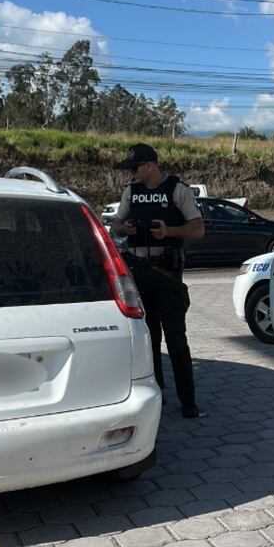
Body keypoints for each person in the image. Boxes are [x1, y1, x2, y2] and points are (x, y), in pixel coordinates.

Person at [113, 143, 206, 418]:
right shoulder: (131, 191)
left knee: (176, 341)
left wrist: (170, 231)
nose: (131, 173)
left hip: (168, 278)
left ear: (150, 166)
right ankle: (158, 395)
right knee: (148, 340)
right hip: (139, 276)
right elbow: (114, 225)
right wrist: (124, 227)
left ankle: (188, 402)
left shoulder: (178, 190)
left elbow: (198, 229)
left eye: (134, 168)